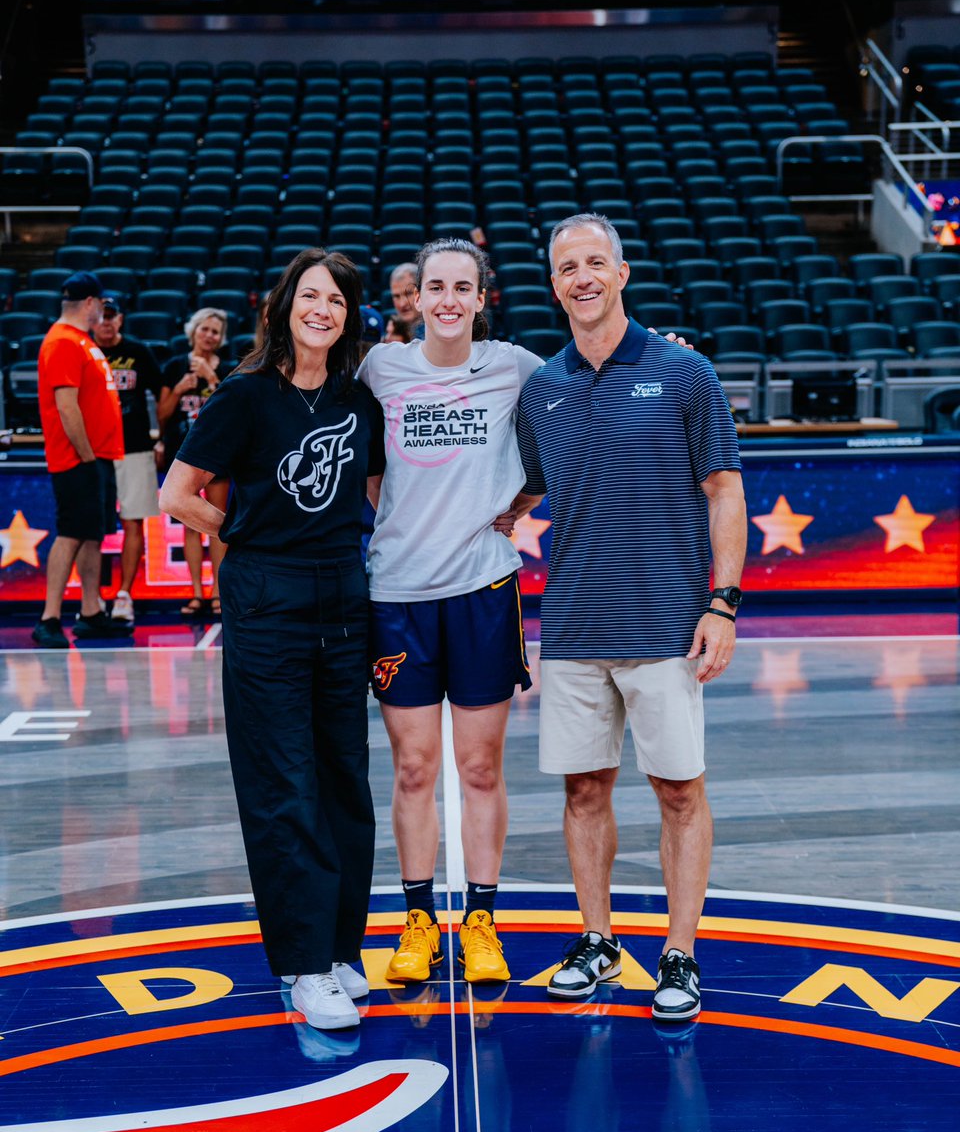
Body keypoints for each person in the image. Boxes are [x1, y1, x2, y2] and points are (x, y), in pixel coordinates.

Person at [514, 212, 747, 1021]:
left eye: (594, 263)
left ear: (621, 273)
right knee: (584, 790)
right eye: (566, 267)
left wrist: (722, 602)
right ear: (554, 285)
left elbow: (725, 490)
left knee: (679, 791)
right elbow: (523, 492)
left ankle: (678, 954)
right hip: (574, 626)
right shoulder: (541, 390)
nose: (581, 277)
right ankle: (598, 940)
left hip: (665, 624)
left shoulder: (685, 373)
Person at [159, 248, 385, 1031]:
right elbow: (176, 493)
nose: (323, 310)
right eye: (310, 296)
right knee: (284, 784)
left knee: (344, 781)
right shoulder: (246, 395)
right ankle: (304, 963)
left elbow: (378, 496)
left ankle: (341, 948)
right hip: (268, 603)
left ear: (350, 317)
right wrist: (245, 532)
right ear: (284, 307)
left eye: (338, 300)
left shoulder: (359, 401)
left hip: (344, 600)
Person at [358, 237, 541, 987]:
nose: (448, 300)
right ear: (414, 297)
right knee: (412, 768)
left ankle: (483, 922)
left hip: (483, 590)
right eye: (436, 286)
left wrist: (520, 503)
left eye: (463, 287)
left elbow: (586, 399)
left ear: (481, 297)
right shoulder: (380, 368)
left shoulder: (515, 366)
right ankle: (418, 923)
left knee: (479, 766)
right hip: (398, 594)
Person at [32, 271, 133, 648]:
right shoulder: (62, 341)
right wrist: (87, 455)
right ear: (90, 302)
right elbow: (66, 406)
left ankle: (91, 611)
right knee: (71, 533)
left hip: (97, 456)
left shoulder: (81, 341)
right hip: (78, 458)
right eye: (101, 305)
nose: (102, 312)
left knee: (92, 535)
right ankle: (49, 618)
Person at [92, 290, 163, 625]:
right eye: (101, 317)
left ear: (120, 319)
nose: (106, 322)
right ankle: (91, 598)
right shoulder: (85, 351)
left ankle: (124, 595)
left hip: (134, 446)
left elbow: (161, 392)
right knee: (90, 526)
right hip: (94, 450)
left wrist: (162, 438)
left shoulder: (138, 351)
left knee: (134, 522)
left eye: (111, 316)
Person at [157, 307, 231, 618]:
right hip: (183, 454)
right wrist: (179, 389)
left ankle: (217, 592)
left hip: (218, 454)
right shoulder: (175, 366)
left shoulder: (228, 369)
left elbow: (233, 410)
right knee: (189, 525)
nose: (209, 336)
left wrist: (212, 379)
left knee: (216, 523)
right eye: (205, 329)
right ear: (193, 331)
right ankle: (196, 592)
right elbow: (162, 414)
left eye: (215, 332)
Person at [388, 262, 423, 338]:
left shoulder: (436, 334)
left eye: (409, 293)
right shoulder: (391, 335)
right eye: (396, 296)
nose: (402, 304)